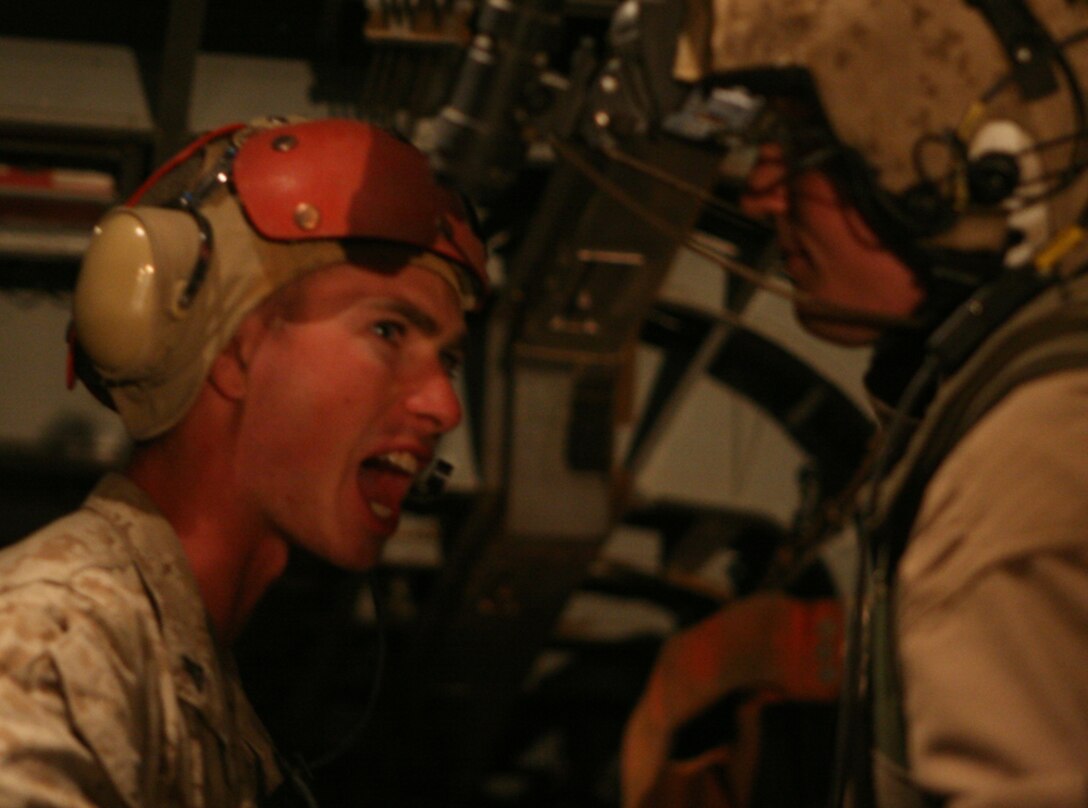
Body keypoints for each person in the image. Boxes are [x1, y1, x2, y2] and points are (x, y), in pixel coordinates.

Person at [621, 1, 1088, 806]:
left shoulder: (1023, 474)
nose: (763, 192)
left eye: (803, 145)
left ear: (971, 169)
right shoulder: (1024, 412)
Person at [0, 116, 488, 806]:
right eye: (388, 330)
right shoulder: (51, 643)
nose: (445, 405)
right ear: (230, 347)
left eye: (448, 360)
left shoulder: (208, 706)